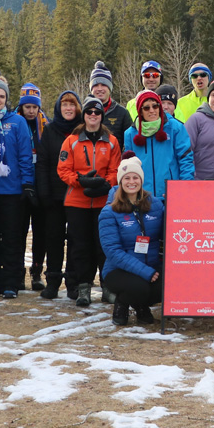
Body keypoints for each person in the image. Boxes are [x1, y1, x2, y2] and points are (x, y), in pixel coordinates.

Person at [58, 95, 122, 307]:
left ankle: (108, 286)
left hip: (104, 202)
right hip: (77, 201)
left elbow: (116, 169)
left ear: (102, 116)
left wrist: (107, 183)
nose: (93, 115)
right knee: (80, 245)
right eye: (89, 112)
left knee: (104, 245)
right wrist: (80, 181)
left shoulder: (111, 141)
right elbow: (63, 169)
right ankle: (83, 286)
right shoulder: (71, 140)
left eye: (97, 112)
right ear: (83, 115)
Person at [0, 79, 34, 299]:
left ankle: (11, 281)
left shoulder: (17, 122)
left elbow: (24, 155)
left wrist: (27, 183)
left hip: (11, 190)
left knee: (12, 237)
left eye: (1, 96)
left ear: (6, 100)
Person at [99, 156, 164, 327]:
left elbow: (170, 229)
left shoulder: (155, 204)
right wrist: (145, 272)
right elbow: (113, 251)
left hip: (151, 265)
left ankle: (141, 304)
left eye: (136, 177)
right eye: (127, 178)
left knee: (169, 285)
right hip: (118, 269)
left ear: (141, 180)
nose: (131, 182)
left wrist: (177, 201)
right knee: (140, 288)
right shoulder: (109, 211)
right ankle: (122, 302)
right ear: (120, 181)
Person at [36, 91, 81, 301]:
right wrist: (44, 192)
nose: (68, 109)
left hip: (77, 195)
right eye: (65, 105)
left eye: (72, 105)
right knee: (53, 239)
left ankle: (73, 282)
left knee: (74, 240)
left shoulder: (83, 130)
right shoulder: (51, 130)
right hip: (53, 196)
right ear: (58, 108)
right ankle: (52, 281)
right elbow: (43, 163)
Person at [123, 90, 194, 201]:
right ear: (140, 111)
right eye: (146, 108)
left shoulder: (175, 128)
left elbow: (186, 160)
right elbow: (128, 168)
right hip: (142, 196)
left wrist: (183, 188)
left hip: (171, 194)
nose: (152, 111)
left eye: (155, 106)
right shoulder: (130, 134)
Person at [17, 83, 48, 290]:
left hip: (41, 184)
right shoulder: (13, 122)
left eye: (34, 107)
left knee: (41, 231)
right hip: (19, 184)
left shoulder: (46, 125)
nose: (30, 111)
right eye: (27, 107)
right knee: (18, 231)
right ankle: (17, 271)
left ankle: (36, 271)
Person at [88, 61, 131, 146]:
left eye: (104, 85)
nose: (100, 89)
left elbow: (129, 143)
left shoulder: (122, 113)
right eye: (96, 85)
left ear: (110, 87)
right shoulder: (84, 112)